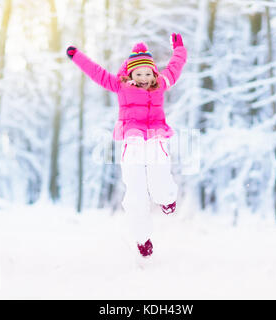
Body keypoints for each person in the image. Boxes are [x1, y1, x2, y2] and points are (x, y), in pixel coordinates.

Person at [66, 33, 187, 258]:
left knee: (160, 172)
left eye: (147, 73)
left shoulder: (161, 84)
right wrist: (77, 57)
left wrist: (179, 47)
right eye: (138, 73)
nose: (143, 78)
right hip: (132, 140)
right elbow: (96, 72)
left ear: (153, 73)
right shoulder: (120, 86)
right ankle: (142, 237)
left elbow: (176, 65)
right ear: (130, 73)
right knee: (135, 190)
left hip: (155, 137)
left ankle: (166, 198)